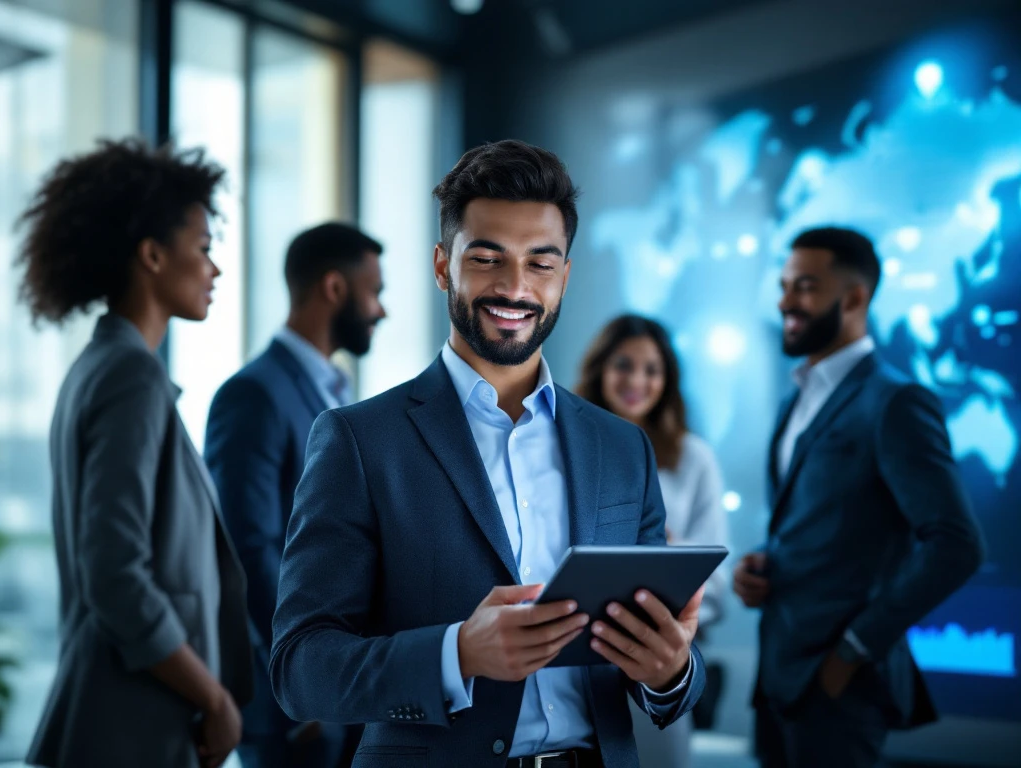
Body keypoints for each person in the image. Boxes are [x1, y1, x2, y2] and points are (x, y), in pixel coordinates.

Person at [270, 140, 707, 768]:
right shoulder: (359, 441)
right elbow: (299, 668)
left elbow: (666, 675)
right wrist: (458, 654)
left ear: (565, 275)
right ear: (444, 266)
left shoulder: (621, 447)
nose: (514, 287)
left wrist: (669, 671)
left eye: (540, 263)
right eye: (488, 257)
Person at [17, 138, 253, 768]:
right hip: (129, 724)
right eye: (203, 249)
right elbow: (116, 573)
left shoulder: (101, 367)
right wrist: (214, 696)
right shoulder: (130, 376)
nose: (215, 269)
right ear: (152, 255)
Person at [733, 227, 984, 768]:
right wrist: (765, 565)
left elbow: (957, 545)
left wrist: (853, 651)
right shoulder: (794, 401)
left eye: (804, 286)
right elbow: (819, 525)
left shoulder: (896, 402)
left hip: (839, 686)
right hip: (778, 678)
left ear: (854, 298)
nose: (785, 302)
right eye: (783, 286)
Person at [204, 222, 386, 768]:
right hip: (294, 703)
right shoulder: (253, 394)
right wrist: (302, 678)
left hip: (344, 686)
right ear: (334, 288)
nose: (381, 310)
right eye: (374, 291)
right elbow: (248, 547)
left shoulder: (335, 393)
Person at [576, 313, 729, 767]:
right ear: (600, 369)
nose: (637, 381)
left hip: (656, 660)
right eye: (624, 365)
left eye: (652, 370)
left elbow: (716, 579)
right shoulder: (566, 447)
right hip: (576, 658)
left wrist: (666, 553)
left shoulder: (693, 458)